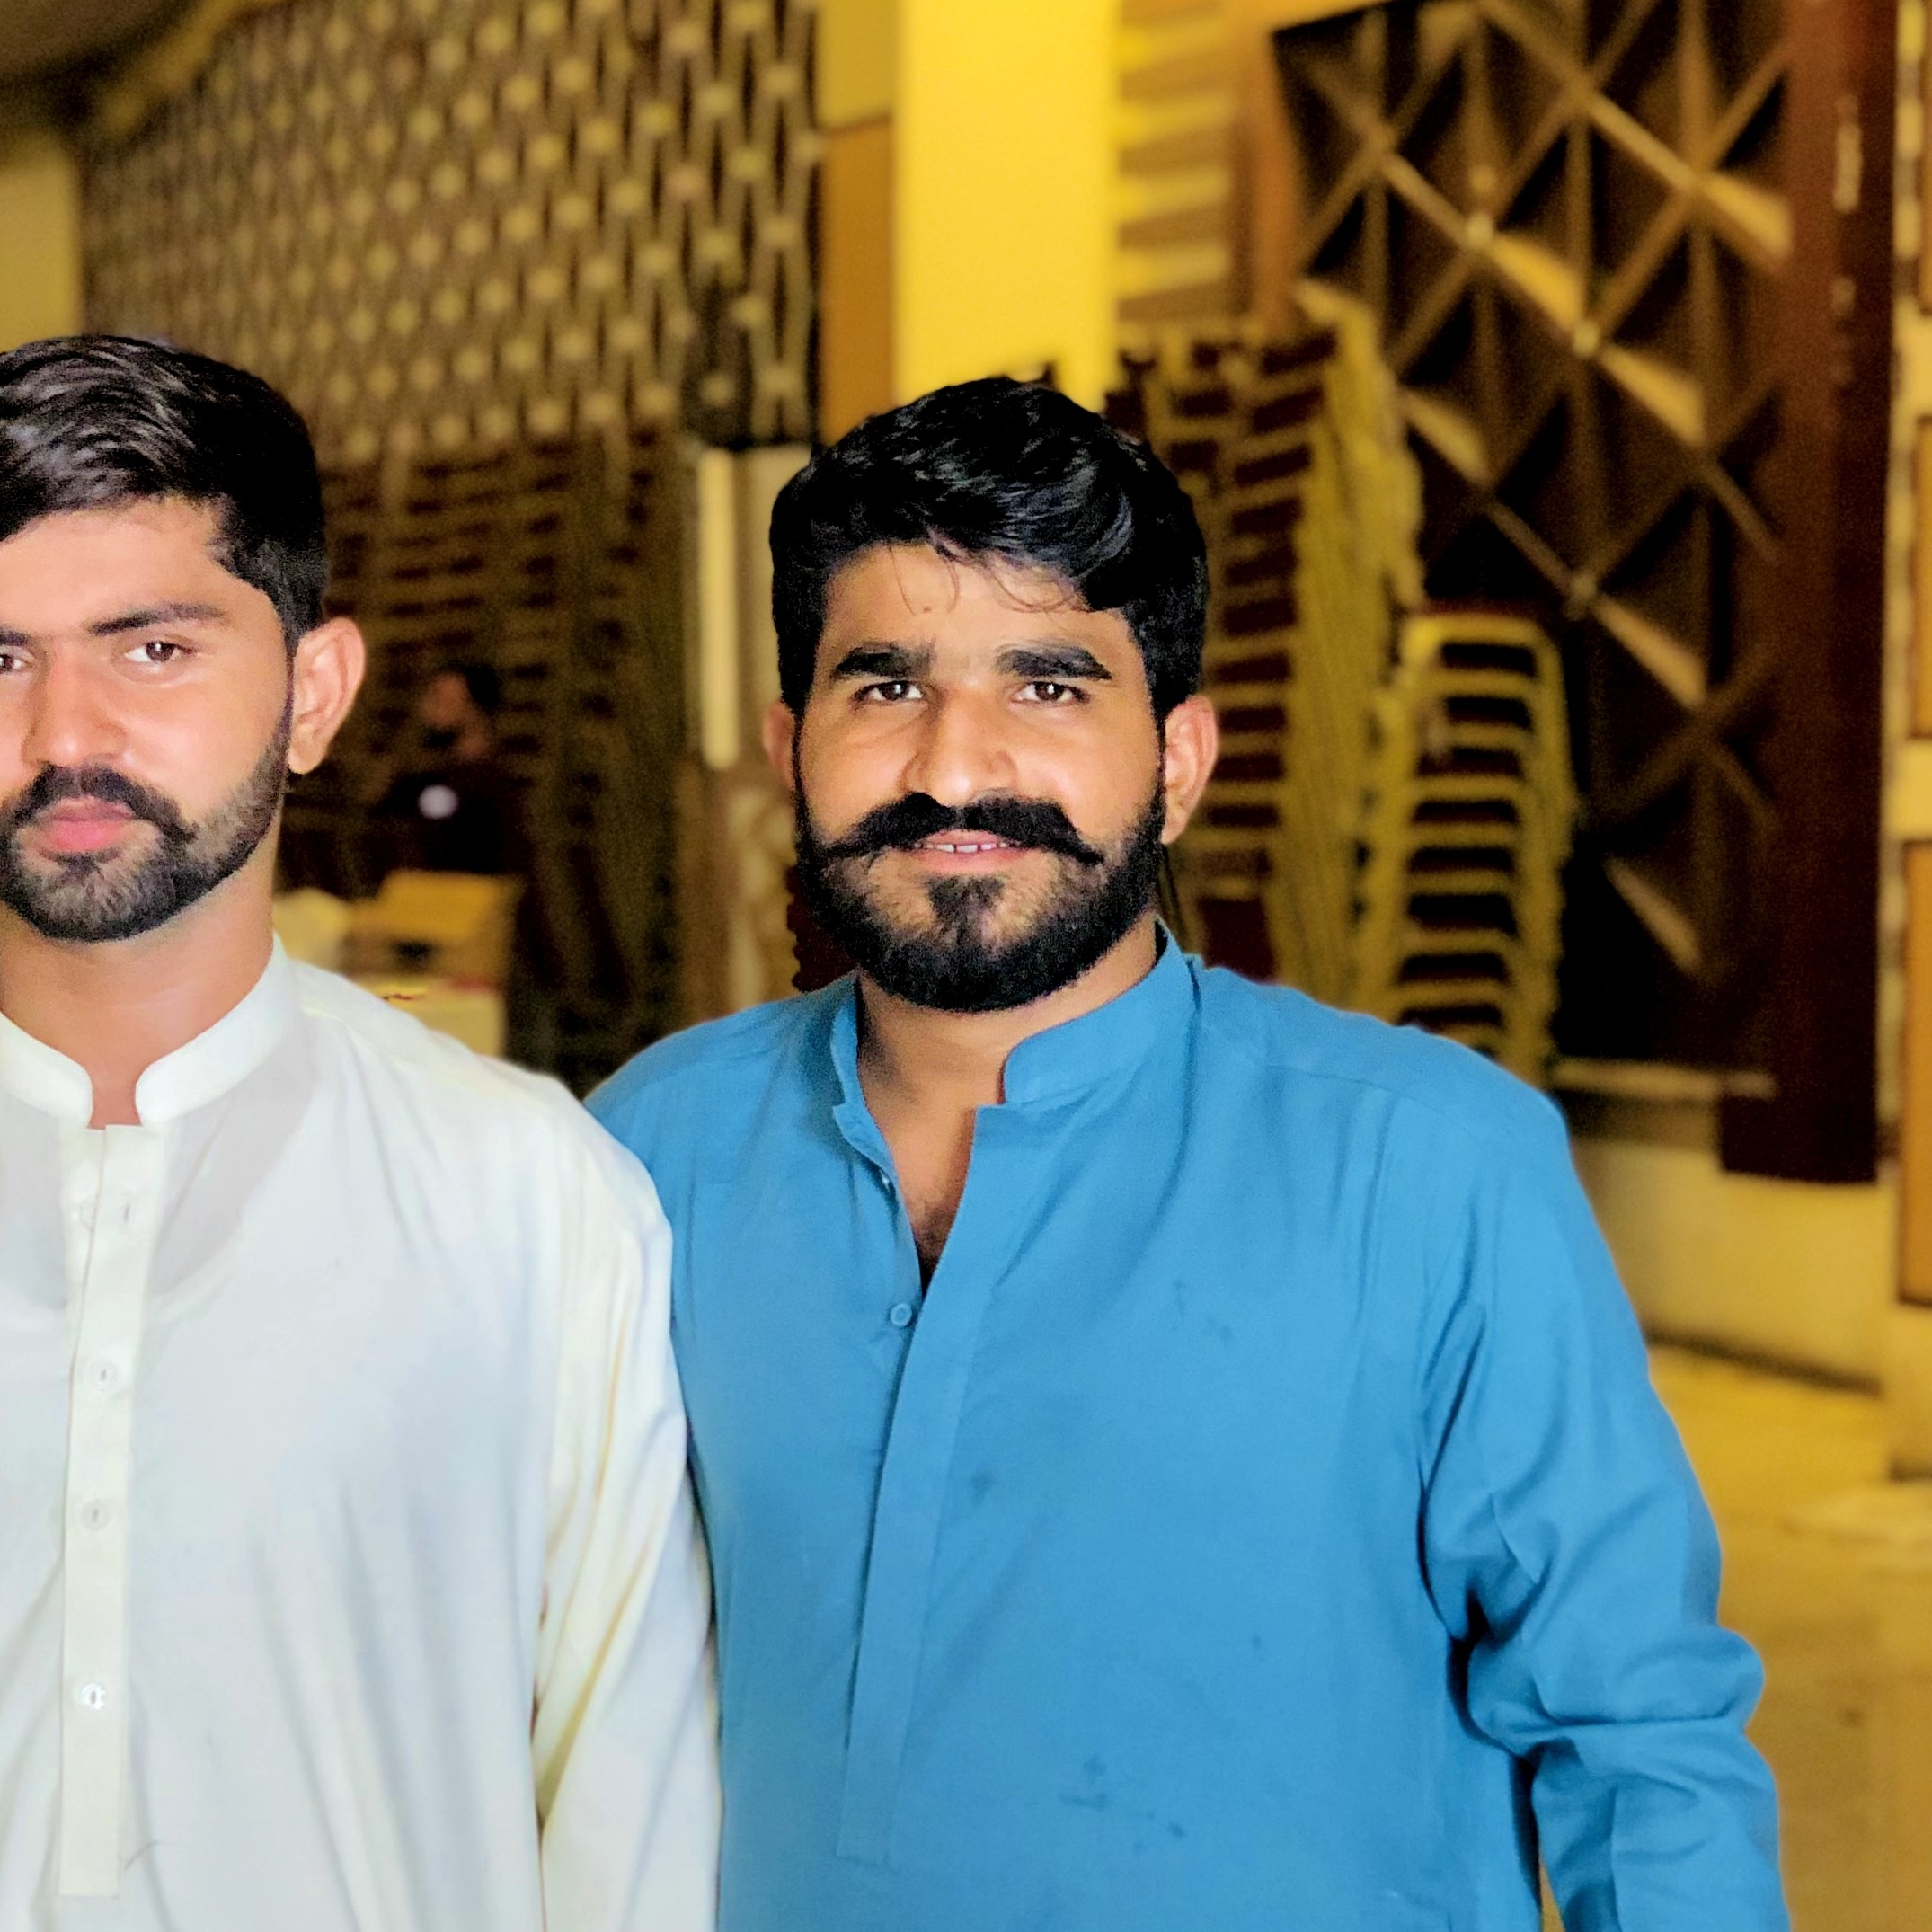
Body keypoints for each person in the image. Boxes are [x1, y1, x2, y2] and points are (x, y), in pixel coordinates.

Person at [591, 377, 1787, 1932]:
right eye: (884, 685)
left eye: (1049, 684)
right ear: (788, 745)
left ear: (1179, 759)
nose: (956, 766)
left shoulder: (1432, 1173)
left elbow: (1641, 1737)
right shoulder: (644, 1156)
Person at [0, 336, 718, 1930]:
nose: (63, 735)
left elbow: (634, 1829)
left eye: (154, 648)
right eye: (0, 657)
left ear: (314, 692)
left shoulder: (528, 1199)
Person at [367, 660, 524, 878]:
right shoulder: (432, 771)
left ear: (476, 708)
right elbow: (375, 802)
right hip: (426, 885)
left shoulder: (488, 777)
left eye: (443, 701)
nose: (431, 708)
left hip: (470, 887)